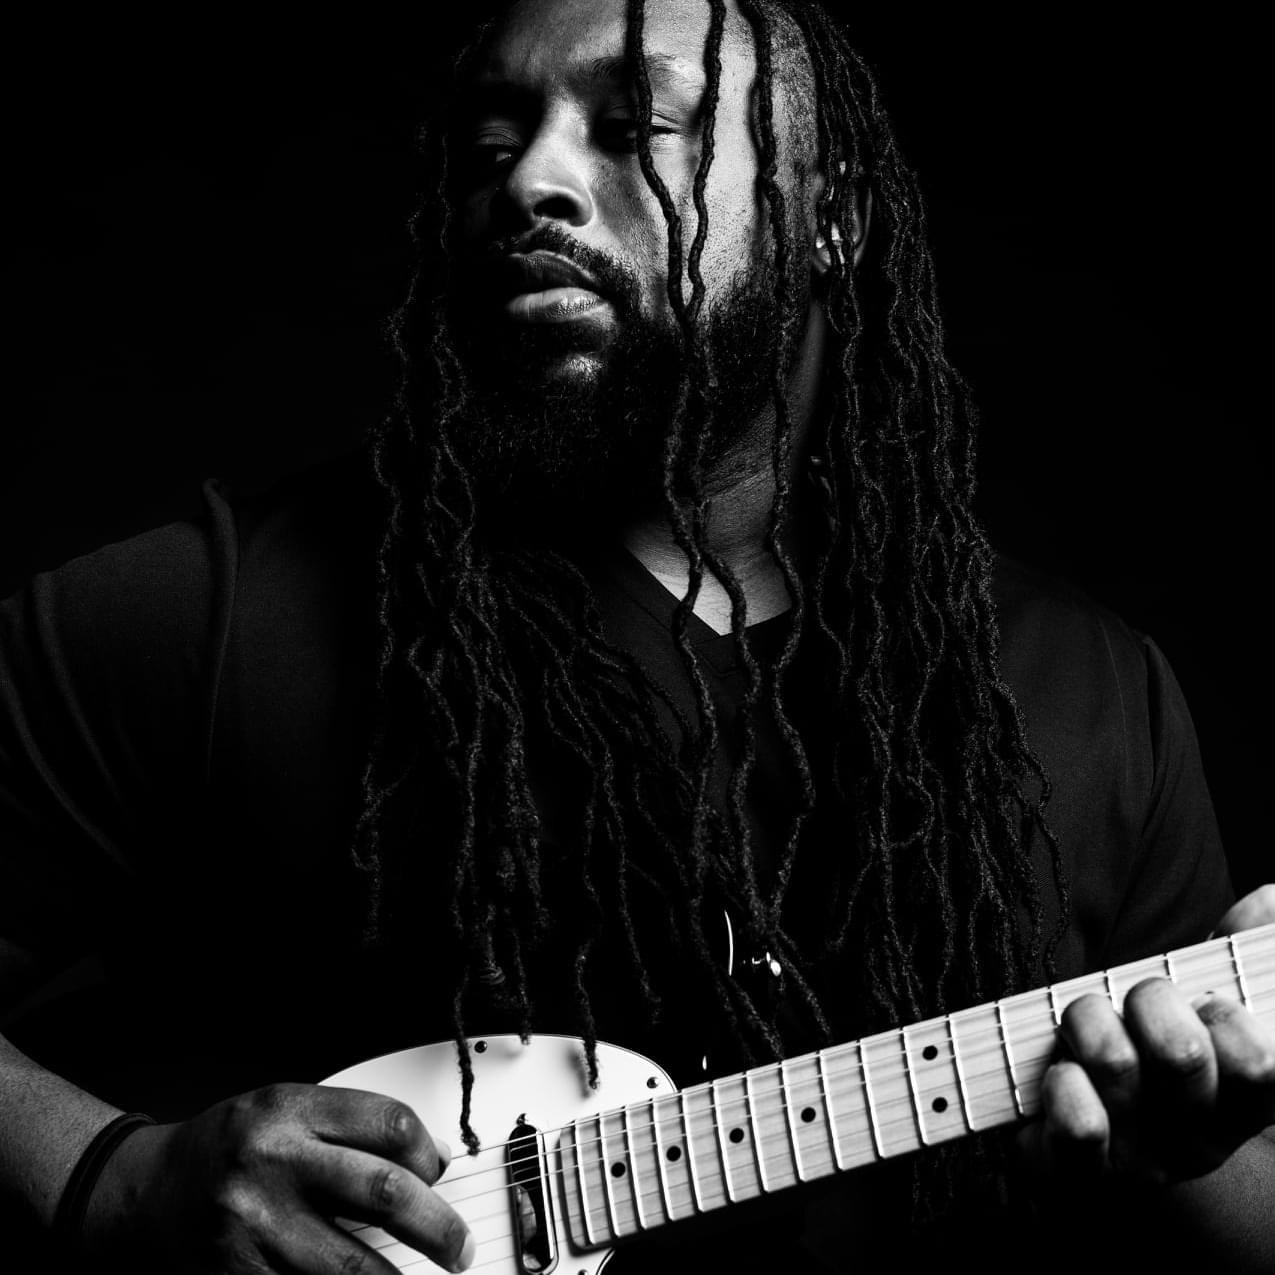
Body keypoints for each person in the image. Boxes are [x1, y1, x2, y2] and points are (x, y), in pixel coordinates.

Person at [1, 1, 1271, 1272]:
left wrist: (1182, 1150)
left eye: (633, 125)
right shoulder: (223, 613)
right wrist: (113, 1183)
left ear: (832, 218)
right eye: (490, 146)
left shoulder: (1090, 691)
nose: (531, 183)